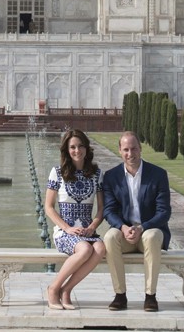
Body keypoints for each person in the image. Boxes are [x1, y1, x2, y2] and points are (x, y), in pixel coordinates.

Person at [103, 131, 171, 313]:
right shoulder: (111, 177)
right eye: (126, 149)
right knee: (109, 237)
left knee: (152, 236)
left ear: (140, 149)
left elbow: (164, 212)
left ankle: (150, 296)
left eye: (133, 148)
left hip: (148, 231)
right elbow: (108, 211)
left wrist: (142, 228)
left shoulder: (158, 174)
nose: (130, 154)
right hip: (125, 233)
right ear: (119, 151)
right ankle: (120, 295)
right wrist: (123, 228)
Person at [44, 128, 106, 310]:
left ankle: (66, 290)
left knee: (100, 248)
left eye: (80, 146)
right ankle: (53, 288)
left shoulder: (97, 174)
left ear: (87, 149)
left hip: (87, 231)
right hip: (65, 232)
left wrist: (93, 226)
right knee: (85, 249)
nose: (77, 151)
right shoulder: (57, 172)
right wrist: (67, 228)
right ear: (67, 150)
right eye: (72, 147)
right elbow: (48, 207)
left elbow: (102, 209)